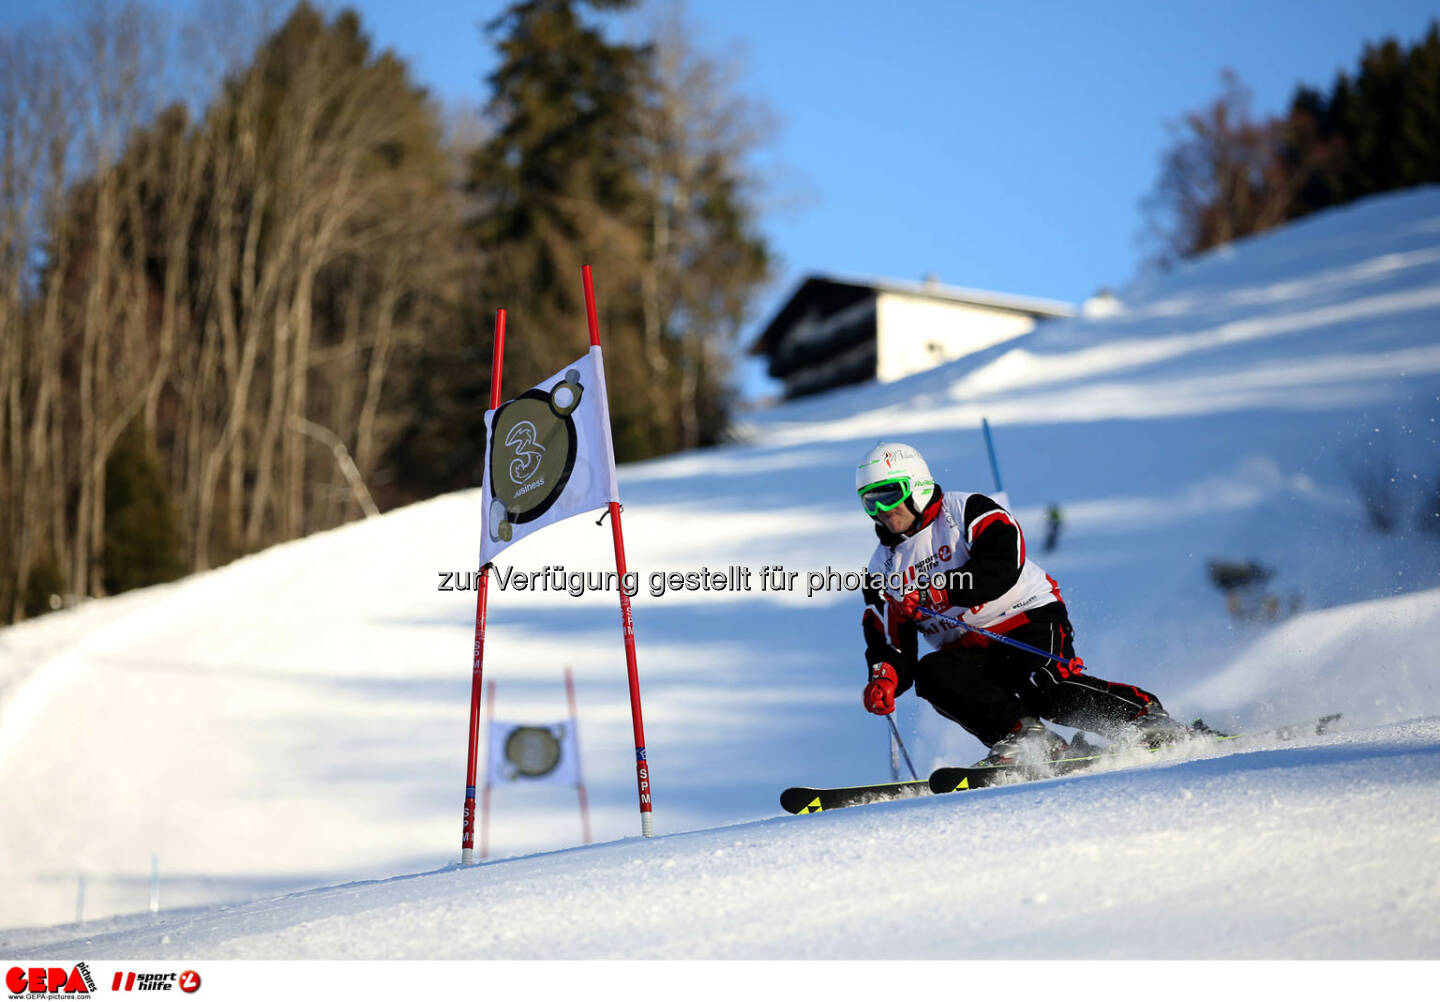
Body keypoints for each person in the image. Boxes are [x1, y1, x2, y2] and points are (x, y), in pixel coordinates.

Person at [854, 441, 1187, 766]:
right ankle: (1026, 739)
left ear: (918, 486)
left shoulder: (966, 511)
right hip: (967, 647)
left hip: (1025, 619)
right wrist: (886, 677)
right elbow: (888, 641)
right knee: (932, 675)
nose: (883, 510)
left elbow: (1002, 564)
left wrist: (941, 593)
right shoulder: (881, 569)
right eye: (870, 502)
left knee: (1045, 689)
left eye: (890, 495)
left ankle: (1142, 717)